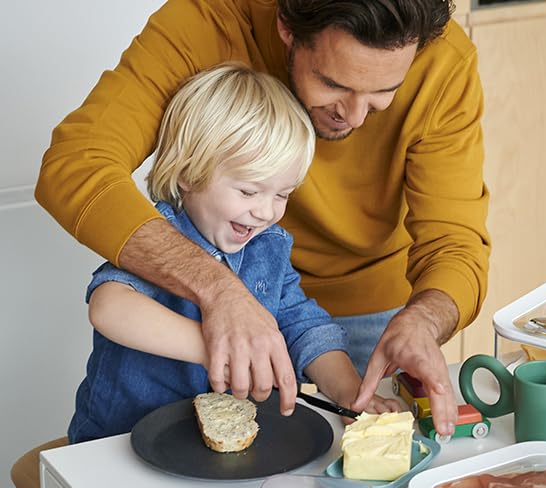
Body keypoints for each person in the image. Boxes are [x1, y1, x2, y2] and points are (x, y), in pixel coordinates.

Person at [36, 0, 490, 437]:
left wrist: (418, 326)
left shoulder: (443, 60)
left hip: (352, 323)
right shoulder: (208, 18)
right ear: (287, 27)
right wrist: (220, 299)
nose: (354, 116)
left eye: (382, 94)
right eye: (333, 83)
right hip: (162, 408)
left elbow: (454, 244)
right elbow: (79, 165)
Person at [68, 63, 400, 443]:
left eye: (282, 195)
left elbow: (305, 327)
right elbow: (109, 308)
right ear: (188, 174)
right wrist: (223, 348)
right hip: (116, 445)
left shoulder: (268, 247)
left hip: (216, 450)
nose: (265, 211)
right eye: (248, 191)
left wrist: (350, 395)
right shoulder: (159, 237)